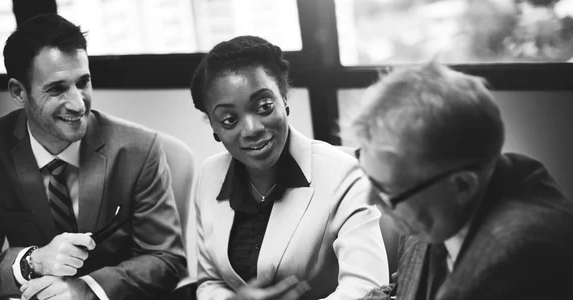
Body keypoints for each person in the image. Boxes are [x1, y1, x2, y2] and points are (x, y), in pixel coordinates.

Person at [0, 14, 187, 300]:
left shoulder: (139, 149)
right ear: (18, 92)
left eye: (83, 82)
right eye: (57, 89)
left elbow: (166, 260)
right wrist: (33, 260)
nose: (77, 104)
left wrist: (86, 289)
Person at [349, 61, 573, 300]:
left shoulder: (521, 263)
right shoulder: (430, 200)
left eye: (387, 189)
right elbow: (404, 289)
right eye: (369, 177)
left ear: (462, 186)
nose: (371, 199)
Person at [189, 35, 389, 300]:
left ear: (284, 98)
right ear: (215, 129)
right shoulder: (210, 174)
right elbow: (209, 281)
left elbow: (367, 288)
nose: (251, 129)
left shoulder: (344, 174)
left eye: (264, 106)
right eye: (229, 120)